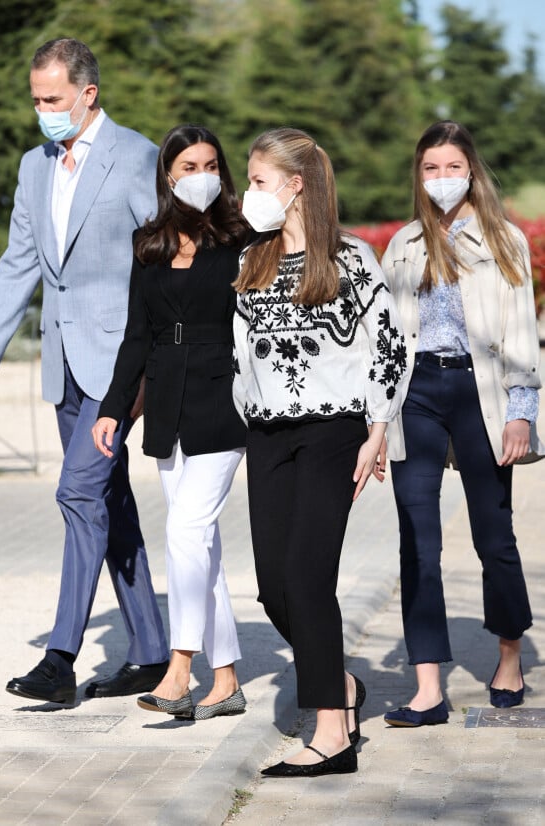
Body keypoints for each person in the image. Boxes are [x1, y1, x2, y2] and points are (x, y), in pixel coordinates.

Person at [0, 38, 170, 705]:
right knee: (109, 502)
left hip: (120, 366)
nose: (41, 112)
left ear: (88, 93)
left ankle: (59, 660)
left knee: (78, 495)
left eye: (52, 100)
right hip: (62, 363)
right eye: (35, 100)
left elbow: (168, 257)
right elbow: (19, 263)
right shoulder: (34, 167)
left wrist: (160, 360)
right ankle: (150, 650)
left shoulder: (137, 156)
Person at [232, 127, 408, 776]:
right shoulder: (250, 262)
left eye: (257, 181)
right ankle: (342, 684)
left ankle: (331, 733)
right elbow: (236, 356)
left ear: (294, 185)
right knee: (275, 589)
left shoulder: (352, 259)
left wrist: (379, 428)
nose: (249, 193)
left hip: (332, 434)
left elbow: (389, 346)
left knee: (309, 578)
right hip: (266, 436)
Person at [380, 120, 544, 728]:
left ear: (470, 170)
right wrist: (379, 422)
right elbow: (386, 341)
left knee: (493, 537)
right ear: (419, 176)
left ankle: (508, 654)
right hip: (415, 395)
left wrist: (522, 414)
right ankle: (428, 686)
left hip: (482, 397)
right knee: (416, 541)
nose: (442, 179)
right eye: (430, 168)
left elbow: (521, 332)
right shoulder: (403, 244)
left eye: (452, 167)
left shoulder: (503, 240)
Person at [92, 124, 250, 720]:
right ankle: (228, 678)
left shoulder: (241, 238)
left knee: (185, 533)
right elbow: (137, 335)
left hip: (222, 400)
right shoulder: (148, 243)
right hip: (166, 403)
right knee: (198, 547)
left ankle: (181, 667)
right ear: (168, 175)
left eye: (211, 164)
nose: (202, 174)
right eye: (189, 165)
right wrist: (113, 409)